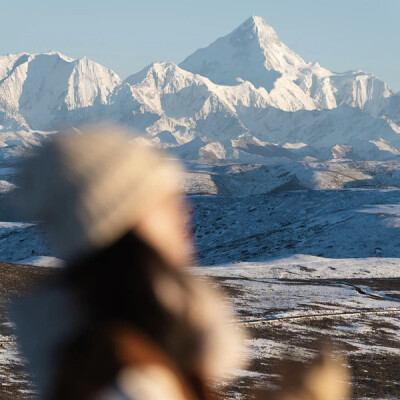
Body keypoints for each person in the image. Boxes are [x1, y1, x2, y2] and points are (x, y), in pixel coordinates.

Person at [11, 126, 246, 400]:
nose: (185, 210)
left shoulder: (117, 357)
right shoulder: (130, 381)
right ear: (126, 221)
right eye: (165, 198)